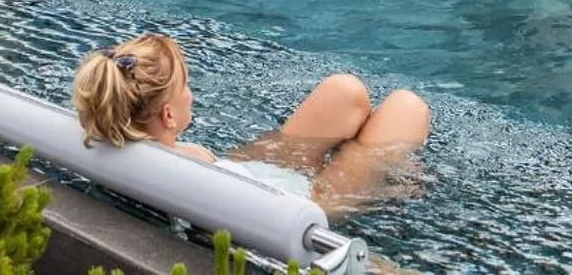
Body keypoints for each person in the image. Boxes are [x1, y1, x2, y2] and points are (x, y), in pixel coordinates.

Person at [71, 32, 429, 219]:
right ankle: (368, 158)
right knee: (406, 108)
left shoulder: (156, 155)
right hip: (299, 201)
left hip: (244, 174)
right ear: (168, 116)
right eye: (186, 87)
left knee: (344, 90)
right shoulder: (186, 165)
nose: (190, 93)